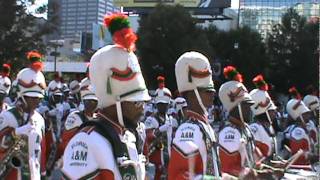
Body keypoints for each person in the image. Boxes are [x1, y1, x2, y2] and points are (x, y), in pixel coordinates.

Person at [62, 13, 149, 179]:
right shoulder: (86, 141)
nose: (142, 107)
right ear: (115, 102)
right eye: (136, 102)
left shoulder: (128, 136)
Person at [218, 66, 282, 179]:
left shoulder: (246, 129)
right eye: (246, 105)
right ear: (234, 107)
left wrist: (272, 169)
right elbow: (228, 169)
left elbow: (254, 162)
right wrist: (256, 175)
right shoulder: (229, 132)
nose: (250, 108)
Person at [168, 51, 220, 179]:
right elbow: (178, 175)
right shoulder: (189, 129)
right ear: (192, 94)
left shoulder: (203, 125)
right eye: (208, 91)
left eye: (212, 90)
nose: (213, 94)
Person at [0, 51, 46, 179]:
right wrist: (17, 132)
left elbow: (41, 150)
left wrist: (43, 173)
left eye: (38, 98)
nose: (36, 101)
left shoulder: (40, 119)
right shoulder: (8, 116)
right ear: (22, 96)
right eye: (32, 98)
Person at [144, 88, 176, 180]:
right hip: (156, 160)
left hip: (169, 159)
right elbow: (149, 137)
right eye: (160, 104)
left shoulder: (170, 119)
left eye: (165, 104)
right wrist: (161, 129)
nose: (162, 107)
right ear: (156, 104)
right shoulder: (151, 119)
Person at [249, 75, 281, 162]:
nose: (275, 113)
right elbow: (255, 156)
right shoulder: (254, 128)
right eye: (271, 110)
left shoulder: (268, 126)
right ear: (263, 111)